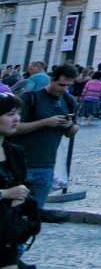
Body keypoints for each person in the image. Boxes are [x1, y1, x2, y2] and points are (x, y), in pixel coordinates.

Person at [13, 64, 76, 210]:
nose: (64, 89)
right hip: (21, 164)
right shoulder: (30, 98)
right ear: (52, 79)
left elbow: (71, 132)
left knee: (35, 213)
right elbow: (14, 128)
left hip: (46, 166)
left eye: (68, 85)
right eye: (61, 84)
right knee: (12, 213)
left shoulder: (69, 101)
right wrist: (45, 122)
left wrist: (70, 126)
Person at [0, 96, 35, 269]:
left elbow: (23, 184)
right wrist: (5, 193)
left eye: (18, 113)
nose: (17, 119)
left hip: (6, 232)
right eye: (10, 114)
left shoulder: (15, 152)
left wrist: (22, 195)